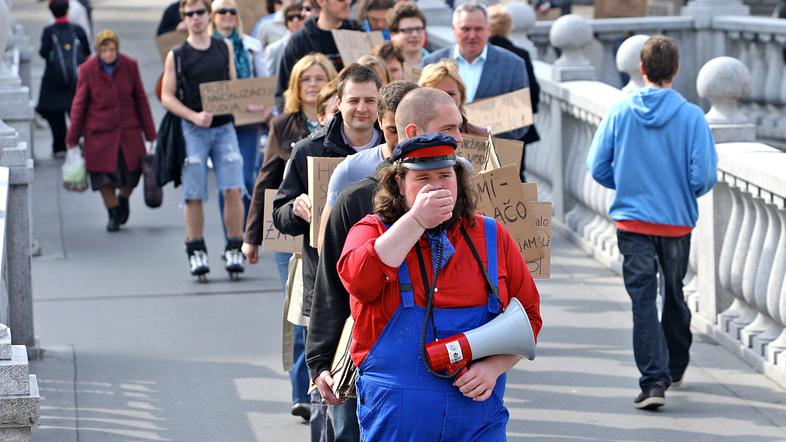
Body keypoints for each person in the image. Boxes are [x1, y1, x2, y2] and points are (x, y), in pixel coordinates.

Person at [337, 131, 542, 440]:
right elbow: (358, 281)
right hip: (397, 419)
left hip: (477, 415)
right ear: (398, 184)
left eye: (445, 175)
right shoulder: (371, 231)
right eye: (421, 179)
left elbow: (529, 317)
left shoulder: (491, 235)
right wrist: (416, 221)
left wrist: (494, 367)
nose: (436, 186)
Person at [310, 85, 478, 442]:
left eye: (445, 175)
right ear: (414, 132)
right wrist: (320, 361)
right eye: (449, 129)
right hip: (369, 364)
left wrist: (494, 363)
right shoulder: (356, 200)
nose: (459, 139)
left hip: (452, 369)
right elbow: (333, 287)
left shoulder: (466, 200)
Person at [586, 35, 717, 410]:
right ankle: (675, 365)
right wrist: (679, 189)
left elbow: (598, 167)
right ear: (676, 70)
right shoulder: (692, 115)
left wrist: (628, 184)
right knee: (673, 292)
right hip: (676, 222)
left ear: (640, 69)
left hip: (632, 222)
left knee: (643, 300)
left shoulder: (620, 111)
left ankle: (653, 382)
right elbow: (704, 177)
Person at [271, 64, 381, 438]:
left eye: (370, 100)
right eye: (353, 100)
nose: (361, 109)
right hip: (327, 282)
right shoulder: (309, 150)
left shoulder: (396, 152)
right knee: (333, 392)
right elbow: (280, 216)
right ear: (339, 103)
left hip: (377, 286)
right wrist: (296, 209)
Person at [242, 55, 337, 423]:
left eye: (319, 78)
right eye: (305, 79)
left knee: (323, 310)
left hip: (327, 230)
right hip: (291, 229)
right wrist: (251, 238)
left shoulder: (347, 127)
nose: (312, 84)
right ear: (295, 87)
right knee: (300, 309)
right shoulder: (284, 126)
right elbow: (267, 180)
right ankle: (302, 390)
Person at [161, 0, 246, 280]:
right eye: (190, 14)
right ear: (184, 18)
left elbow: (232, 85)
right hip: (193, 129)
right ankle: (195, 248)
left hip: (224, 127)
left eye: (200, 12)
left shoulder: (224, 47)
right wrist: (193, 116)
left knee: (233, 186)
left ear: (208, 15)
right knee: (194, 191)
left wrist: (246, 103)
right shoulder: (177, 54)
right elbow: (167, 95)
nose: (195, 18)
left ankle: (235, 245)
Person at [65, 29, 156, 231]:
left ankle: (123, 198)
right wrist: (72, 137)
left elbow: (141, 100)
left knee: (131, 176)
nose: (108, 54)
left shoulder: (129, 66)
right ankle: (113, 213)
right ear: (98, 51)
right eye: (104, 50)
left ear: (117, 49)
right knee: (102, 178)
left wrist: (150, 134)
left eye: (112, 49)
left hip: (128, 133)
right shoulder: (88, 69)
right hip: (99, 136)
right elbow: (79, 104)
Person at [422, 1, 529, 140]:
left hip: (493, 153)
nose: (472, 35)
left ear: (489, 30)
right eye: (465, 29)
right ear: (454, 30)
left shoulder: (514, 65)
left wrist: (483, 133)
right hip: (440, 153)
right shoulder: (430, 63)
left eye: (478, 29)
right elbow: (419, 112)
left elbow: (521, 123)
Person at [210, 0, 270, 237]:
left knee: (246, 178)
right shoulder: (206, 47)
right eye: (221, 11)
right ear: (212, 16)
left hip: (248, 121)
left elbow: (263, 82)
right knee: (226, 182)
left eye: (231, 11)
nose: (227, 15)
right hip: (220, 122)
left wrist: (264, 108)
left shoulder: (251, 45)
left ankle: (246, 228)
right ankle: (232, 236)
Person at [274, 0, 362, 111]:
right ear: (321, 1)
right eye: (341, 0)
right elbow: (283, 92)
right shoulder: (299, 41)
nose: (348, 2)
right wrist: (296, 124)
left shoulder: (359, 34)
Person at [37, 0, 91, 159]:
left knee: (56, 115)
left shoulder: (48, 31)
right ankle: (77, 142)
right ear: (68, 9)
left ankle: (59, 147)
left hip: (53, 80)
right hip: (75, 80)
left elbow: (43, 53)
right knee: (76, 112)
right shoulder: (78, 30)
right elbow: (87, 52)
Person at [418, 60, 485, 136]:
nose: (444, 99)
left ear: (461, 95)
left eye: (450, 94)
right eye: (437, 94)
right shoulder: (413, 135)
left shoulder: (483, 137)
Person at [264, 1, 307, 76]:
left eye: (299, 16)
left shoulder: (316, 41)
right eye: (291, 18)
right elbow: (269, 79)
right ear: (286, 21)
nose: (295, 20)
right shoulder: (273, 49)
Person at [387, 1, 428, 67]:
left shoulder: (436, 64)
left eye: (418, 29)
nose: (415, 34)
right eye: (408, 30)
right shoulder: (384, 67)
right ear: (393, 35)